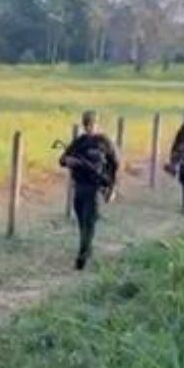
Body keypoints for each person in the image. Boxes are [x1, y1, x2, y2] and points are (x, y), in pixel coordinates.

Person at [58, 110, 119, 271]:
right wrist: (69, 161)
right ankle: (87, 248)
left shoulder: (104, 142)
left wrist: (112, 188)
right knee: (82, 221)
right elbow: (63, 159)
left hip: (95, 188)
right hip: (80, 187)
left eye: (92, 124)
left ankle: (82, 256)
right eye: (87, 124)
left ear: (97, 124)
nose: (90, 127)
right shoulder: (79, 142)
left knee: (89, 222)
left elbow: (114, 166)